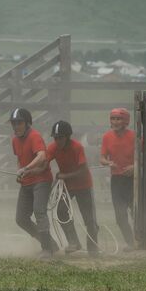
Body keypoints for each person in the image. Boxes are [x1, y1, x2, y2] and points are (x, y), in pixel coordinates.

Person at [10, 108, 59, 259]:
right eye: (14, 123)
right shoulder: (15, 140)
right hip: (27, 182)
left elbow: (42, 156)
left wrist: (26, 168)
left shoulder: (34, 136)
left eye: (19, 122)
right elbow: (19, 158)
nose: (16, 126)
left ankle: (47, 249)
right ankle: (50, 243)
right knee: (21, 218)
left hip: (41, 181)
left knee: (39, 212)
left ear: (27, 123)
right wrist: (20, 171)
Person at [46, 120, 99, 256]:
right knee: (60, 211)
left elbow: (83, 170)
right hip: (67, 185)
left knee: (89, 218)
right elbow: (43, 161)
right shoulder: (53, 148)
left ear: (67, 137)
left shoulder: (77, 147)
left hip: (84, 185)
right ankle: (74, 242)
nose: (58, 141)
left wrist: (65, 175)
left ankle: (93, 248)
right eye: (56, 138)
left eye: (61, 138)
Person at [100, 108, 135, 251]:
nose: (115, 122)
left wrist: (135, 166)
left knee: (136, 212)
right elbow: (102, 158)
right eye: (113, 119)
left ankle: (141, 240)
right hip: (117, 180)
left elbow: (144, 156)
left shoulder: (134, 136)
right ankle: (130, 243)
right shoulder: (107, 137)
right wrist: (108, 163)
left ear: (126, 121)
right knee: (120, 215)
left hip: (133, 180)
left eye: (118, 119)